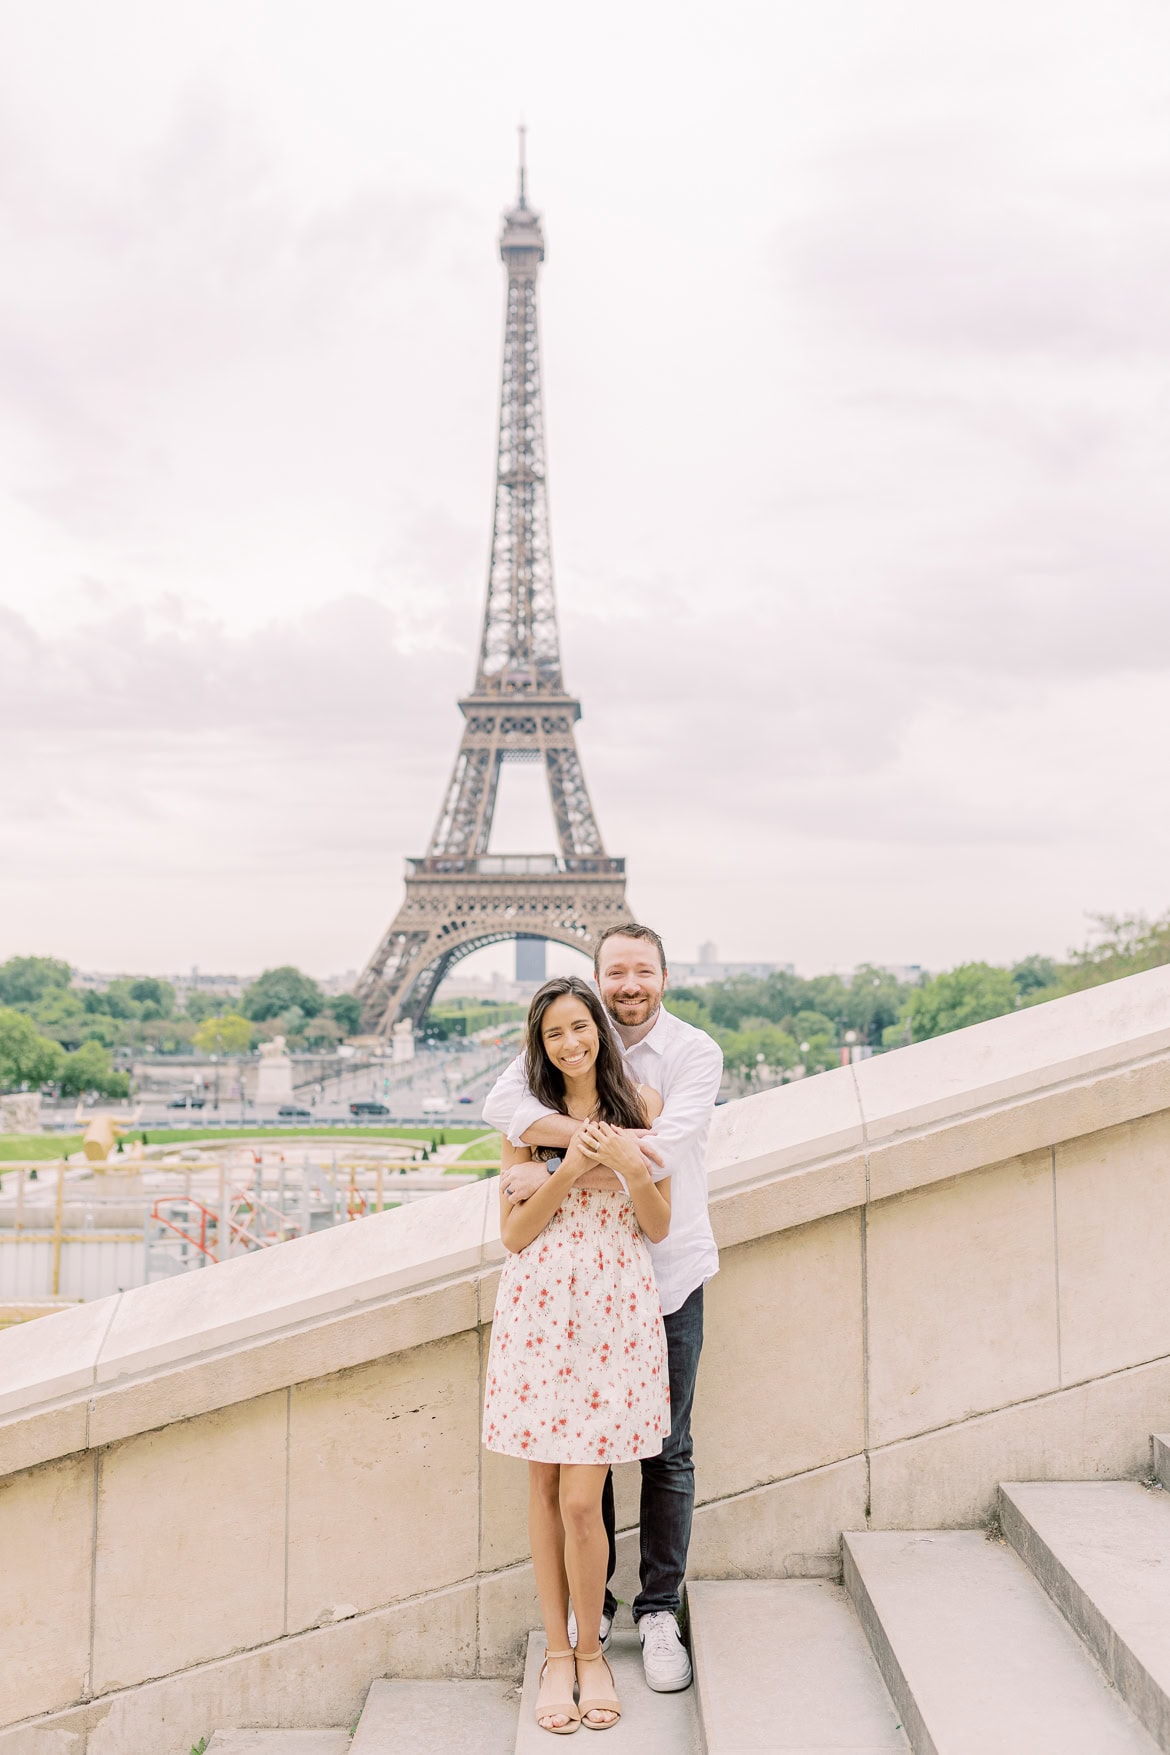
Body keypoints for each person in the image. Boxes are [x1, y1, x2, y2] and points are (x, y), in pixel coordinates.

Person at [484, 924, 722, 1694]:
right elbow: (506, 1125)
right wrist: (582, 1162)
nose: (628, 984)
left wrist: (568, 1162)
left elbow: (658, 1159)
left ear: (661, 976)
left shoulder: (685, 1059)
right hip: (548, 1309)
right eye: (614, 972)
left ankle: (650, 1614)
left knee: (663, 1450)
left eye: (640, 971)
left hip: (655, 1282)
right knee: (567, 1488)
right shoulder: (530, 1089)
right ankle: (586, 1631)